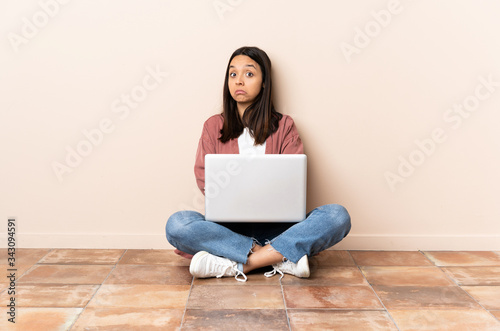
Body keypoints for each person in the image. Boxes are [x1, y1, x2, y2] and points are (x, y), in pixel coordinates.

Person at [166, 46, 351, 282]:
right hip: (227, 230)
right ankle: (281, 257)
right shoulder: (213, 126)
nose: (239, 80)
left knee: (337, 216)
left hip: (280, 228)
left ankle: (235, 264)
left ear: (265, 83)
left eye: (249, 73)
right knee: (177, 224)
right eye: (233, 74)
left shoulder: (284, 126)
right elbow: (206, 181)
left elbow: (292, 180)